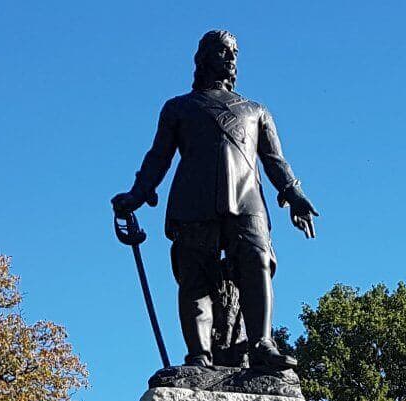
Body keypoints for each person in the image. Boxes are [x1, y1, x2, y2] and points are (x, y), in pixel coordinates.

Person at [111, 30, 318, 371]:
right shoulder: (179, 108)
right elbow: (158, 156)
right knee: (194, 276)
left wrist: (294, 194)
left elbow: (274, 160)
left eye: (234, 52)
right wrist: (137, 194)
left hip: (247, 197)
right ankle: (198, 356)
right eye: (223, 51)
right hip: (195, 199)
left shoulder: (255, 110)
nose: (231, 58)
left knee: (257, 261)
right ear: (204, 57)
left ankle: (262, 343)